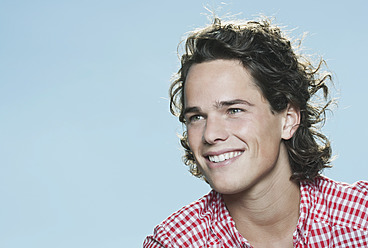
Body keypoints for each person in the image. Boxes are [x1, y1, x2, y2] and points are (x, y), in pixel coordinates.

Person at [143, 17, 368, 248]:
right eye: (197, 117)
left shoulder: (361, 219)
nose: (210, 135)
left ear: (288, 120)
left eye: (234, 110)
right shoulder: (173, 243)